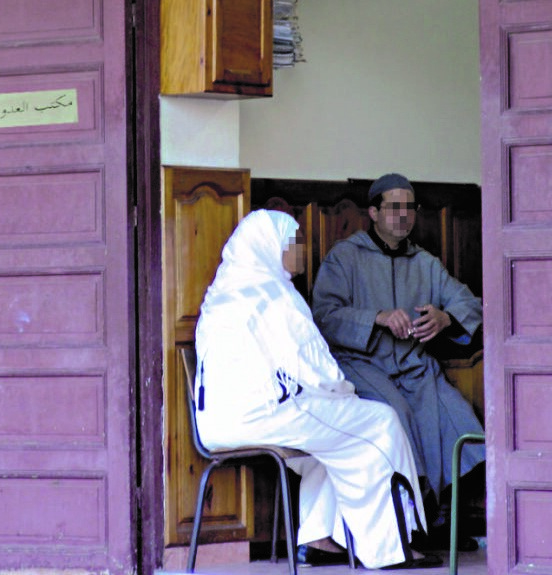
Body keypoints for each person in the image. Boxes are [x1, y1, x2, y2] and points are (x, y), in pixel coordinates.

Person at [194, 209, 442, 569]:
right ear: (272, 247)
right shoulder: (275, 294)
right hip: (263, 416)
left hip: (217, 423)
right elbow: (316, 369)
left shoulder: (223, 293)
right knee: (379, 420)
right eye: (295, 243)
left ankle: (317, 540)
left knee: (331, 443)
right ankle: (392, 547)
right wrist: (345, 394)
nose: (303, 251)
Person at [310, 173, 486, 537]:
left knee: (458, 416)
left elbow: (468, 301)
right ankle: (409, 522)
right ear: (373, 212)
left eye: (410, 208)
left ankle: (436, 515)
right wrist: (377, 318)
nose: (403, 215)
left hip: (415, 366)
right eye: (394, 207)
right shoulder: (346, 256)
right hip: (363, 364)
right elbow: (323, 316)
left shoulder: (425, 263)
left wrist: (445, 317)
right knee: (399, 416)